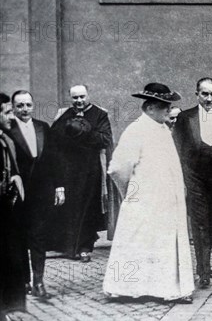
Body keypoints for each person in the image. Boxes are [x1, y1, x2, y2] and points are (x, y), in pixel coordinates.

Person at [103, 83, 194, 303]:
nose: (168, 110)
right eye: (164, 106)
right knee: (137, 243)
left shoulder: (162, 129)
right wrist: (133, 193)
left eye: (169, 105)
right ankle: (125, 288)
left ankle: (165, 289)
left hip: (167, 204)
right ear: (150, 107)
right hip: (144, 201)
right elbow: (117, 168)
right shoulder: (136, 130)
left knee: (162, 244)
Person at [172, 77, 212, 289]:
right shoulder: (185, 117)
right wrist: (181, 179)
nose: (209, 98)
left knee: (211, 222)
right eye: (204, 94)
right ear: (197, 94)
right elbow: (178, 149)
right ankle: (202, 270)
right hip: (194, 178)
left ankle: (205, 265)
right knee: (199, 222)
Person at [47, 84, 117, 262]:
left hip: (90, 169)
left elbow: (105, 139)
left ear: (88, 95)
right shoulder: (65, 114)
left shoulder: (100, 114)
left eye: (82, 97)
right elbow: (53, 138)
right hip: (68, 168)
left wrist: (84, 131)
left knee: (88, 207)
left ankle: (85, 247)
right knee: (70, 207)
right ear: (71, 98)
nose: (79, 101)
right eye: (75, 98)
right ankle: (69, 247)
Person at [7, 90, 60, 299]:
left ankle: (39, 281)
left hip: (41, 192)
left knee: (38, 237)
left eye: (28, 105)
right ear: (13, 108)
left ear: (33, 105)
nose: (24, 109)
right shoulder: (7, 130)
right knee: (19, 237)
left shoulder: (42, 127)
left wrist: (59, 186)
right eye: (20, 106)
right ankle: (24, 281)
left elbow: (53, 159)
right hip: (16, 193)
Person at [0, 93, 26, 321]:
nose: (12, 116)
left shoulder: (5, 139)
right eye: (7, 112)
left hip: (7, 212)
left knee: (9, 262)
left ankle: (3, 312)